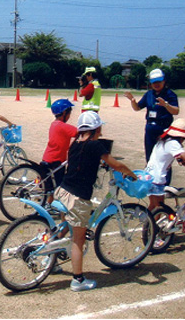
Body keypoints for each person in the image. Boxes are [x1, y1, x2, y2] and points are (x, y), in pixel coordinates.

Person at [54, 111, 136, 292]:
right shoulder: (95, 145)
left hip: (63, 191)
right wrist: (132, 174)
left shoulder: (75, 143)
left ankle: (50, 261)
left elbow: (82, 162)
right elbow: (117, 165)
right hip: (77, 198)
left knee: (65, 226)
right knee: (78, 240)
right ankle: (78, 280)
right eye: (100, 127)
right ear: (96, 128)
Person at [145, 118, 185, 211]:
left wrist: (179, 159)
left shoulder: (163, 141)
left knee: (153, 206)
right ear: (181, 137)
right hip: (157, 179)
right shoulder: (173, 143)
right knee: (159, 208)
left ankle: (147, 225)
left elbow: (166, 155)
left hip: (149, 176)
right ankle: (152, 225)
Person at [124, 68, 180, 166]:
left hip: (164, 129)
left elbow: (176, 111)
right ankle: (151, 179)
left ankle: (164, 181)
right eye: (154, 82)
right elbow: (137, 108)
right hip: (150, 129)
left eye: (159, 81)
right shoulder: (149, 94)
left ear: (164, 81)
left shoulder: (170, 94)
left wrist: (166, 105)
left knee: (164, 157)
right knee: (150, 158)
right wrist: (133, 101)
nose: (156, 84)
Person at [41, 99, 78, 204]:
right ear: (65, 113)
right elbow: (79, 132)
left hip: (48, 157)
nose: (70, 116)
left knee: (51, 185)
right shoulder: (63, 126)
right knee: (61, 184)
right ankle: (51, 204)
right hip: (56, 160)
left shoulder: (54, 124)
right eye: (69, 113)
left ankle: (48, 202)